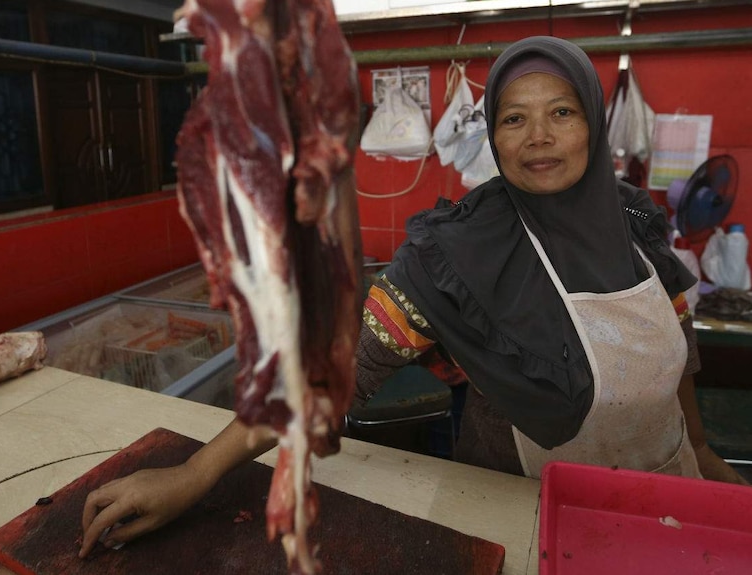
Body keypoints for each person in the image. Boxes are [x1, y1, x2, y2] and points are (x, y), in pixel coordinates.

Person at [78, 35, 747, 558]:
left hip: (670, 497)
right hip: (529, 517)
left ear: (593, 125)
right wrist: (194, 475)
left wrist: (707, 458)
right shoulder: (454, 255)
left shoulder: (636, 227)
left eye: (561, 113)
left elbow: (678, 358)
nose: (538, 137)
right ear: (494, 135)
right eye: (514, 118)